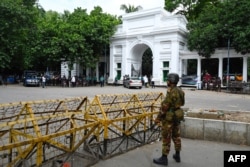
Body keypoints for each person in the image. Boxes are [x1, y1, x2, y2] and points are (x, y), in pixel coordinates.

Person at [153, 73, 185, 166]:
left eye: (168, 80)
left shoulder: (171, 91)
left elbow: (164, 107)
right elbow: (182, 103)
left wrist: (158, 119)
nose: (167, 81)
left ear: (171, 81)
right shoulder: (180, 91)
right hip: (177, 116)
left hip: (169, 117)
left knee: (166, 137)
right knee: (176, 136)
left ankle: (164, 158)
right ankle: (177, 155)